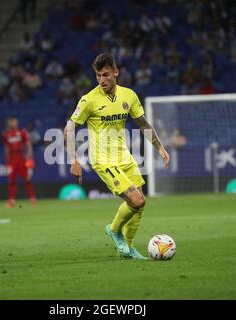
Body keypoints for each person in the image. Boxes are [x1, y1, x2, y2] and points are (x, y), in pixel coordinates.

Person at [64, 53, 170, 260]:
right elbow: (69, 128)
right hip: (103, 160)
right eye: (97, 75)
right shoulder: (88, 100)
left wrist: (159, 147)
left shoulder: (129, 95)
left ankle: (128, 250)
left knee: (140, 205)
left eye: (105, 75)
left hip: (125, 157)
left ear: (116, 72)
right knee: (136, 201)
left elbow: (143, 124)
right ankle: (114, 230)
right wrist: (73, 160)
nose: (101, 80)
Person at [2, 116, 37, 208]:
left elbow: (28, 145)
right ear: (9, 123)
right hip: (12, 160)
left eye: (14, 121)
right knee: (11, 181)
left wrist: (30, 158)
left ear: (16, 122)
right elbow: (6, 148)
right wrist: (7, 162)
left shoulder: (22, 132)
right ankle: (11, 201)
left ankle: (32, 199)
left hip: (22, 158)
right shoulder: (6, 134)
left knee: (27, 180)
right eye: (11, 121)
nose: (13, 123)